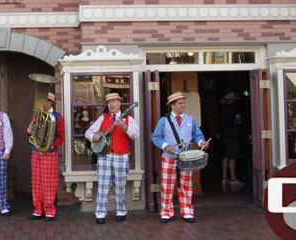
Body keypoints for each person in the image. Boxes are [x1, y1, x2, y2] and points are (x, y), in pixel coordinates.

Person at [152, 92, 209, 223]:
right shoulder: (164, 121)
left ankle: (187, 211)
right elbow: (156, 137)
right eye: (180, 103)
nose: (183, 105)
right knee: (167, 185)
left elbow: (197, 135)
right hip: (168, 157)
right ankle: (166, 212)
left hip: (186, 157)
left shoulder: (190, 119)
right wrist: (166, 146)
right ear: (172, 106)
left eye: (183, 102)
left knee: (186, 185)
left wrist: (201, 142)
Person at [84, 92, 139, 224]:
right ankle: (100, 213)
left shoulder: (128, 119)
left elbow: (136, 135)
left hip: (121, 155)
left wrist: (125, 127)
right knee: (103, 185)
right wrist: (93, 137)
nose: (112, 104)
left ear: (120, 103)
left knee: (120, 185)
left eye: (114, 101)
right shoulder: (103, 118)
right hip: (104, 156)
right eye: (109, 102)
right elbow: (88, 133)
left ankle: (121, 211)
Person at [26, 92, 65, 221]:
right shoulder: (36, 115)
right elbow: (29, 134)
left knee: (49, 181)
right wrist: (30, 128)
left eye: (45, 101)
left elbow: (61, 137)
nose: (42, 104)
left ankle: (49, 209)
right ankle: (38, 209)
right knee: (36, 181)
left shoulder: (58, 117)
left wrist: (49, 147)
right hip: (36, 151)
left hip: (49, 152)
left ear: (50, 103)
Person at [220, 91, 244, 191]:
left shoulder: (223, 110)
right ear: (229, 100)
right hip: (231, 136)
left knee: (226, 157)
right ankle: (233, 178)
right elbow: (230, 123)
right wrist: (237, 120)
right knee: (233, 157)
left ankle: (225, 177)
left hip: (225, 136)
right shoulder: (229, 111)